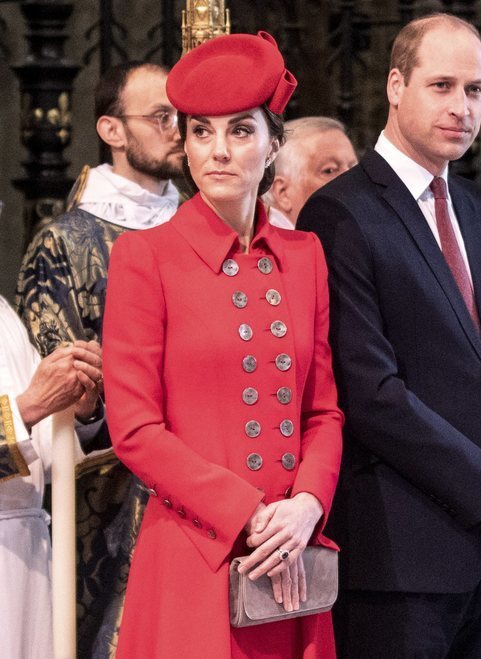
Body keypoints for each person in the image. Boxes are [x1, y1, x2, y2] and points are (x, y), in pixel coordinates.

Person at [296, 13, 481, 657]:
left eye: (474, 90)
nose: (461, 107)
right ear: (395, 85)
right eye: (441, 86)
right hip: (399, 556)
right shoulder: (340, 211)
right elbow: (371, 391)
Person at [102, 32, 344, 657]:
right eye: (201, 132)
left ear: (272, 145)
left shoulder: (305, 256)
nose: (218, 151)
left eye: (240, 131)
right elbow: (133, 428)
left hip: (291, 552)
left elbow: (322, 411)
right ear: (183, 146)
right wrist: (249, 512)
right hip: (194, 553)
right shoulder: (144, 256)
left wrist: (306, 507)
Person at [14, 59, 182, 657]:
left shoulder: (204, 225)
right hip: (116, 503)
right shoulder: (66, 242)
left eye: (182, 114)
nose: (179, 128)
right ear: (112, 131)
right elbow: (69, 387)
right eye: (160, 115)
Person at [0, 295, 103, 659]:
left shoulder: (2, 312)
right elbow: (31, 405)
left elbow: (39, 450)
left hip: (27, 552)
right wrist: (32, 405)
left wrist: (77, 406)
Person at [263, 116, 358, 229]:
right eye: (329, 170)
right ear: (283, 193)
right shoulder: (267, 245)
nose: (352, 181)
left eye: (354, 168)